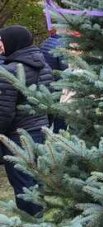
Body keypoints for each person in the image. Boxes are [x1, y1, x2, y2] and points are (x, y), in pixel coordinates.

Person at [0, 25, 54, 216]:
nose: (0, 45)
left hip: (17, 137)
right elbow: (51, 102)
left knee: (23, 184)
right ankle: (44, 215)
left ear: (12, 42)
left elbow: (4, 113)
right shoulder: (44, 65)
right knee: (37, 179)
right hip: (41, 131)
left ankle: (33, 219)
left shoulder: (8, 72)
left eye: (1, 40)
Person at [40, 28, 68, 133]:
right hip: (59, 88)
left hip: (47, 84)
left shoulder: (47, 41)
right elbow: (66, 70)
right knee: (60, 118)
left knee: (48, 117)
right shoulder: (62, 45)